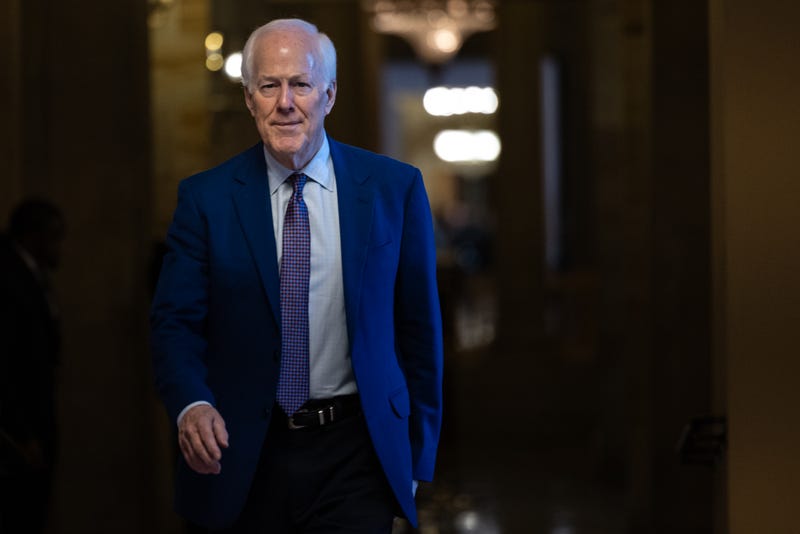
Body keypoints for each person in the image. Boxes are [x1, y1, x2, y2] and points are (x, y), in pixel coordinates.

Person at [150, 18, 443, 532]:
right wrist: (191, 403)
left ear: (328, 95)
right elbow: (175, 322)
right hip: (243, 453)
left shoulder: (392, 190)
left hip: (357, 453)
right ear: (249, 99)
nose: (285, 102)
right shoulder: (207, 201)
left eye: (301, 84)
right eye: (269, 85)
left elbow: (419, 329)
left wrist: (414, 455)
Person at [0, 197, 65, 533]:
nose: (60, 248)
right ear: (33, 236)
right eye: (55, 236)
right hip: (17, 434)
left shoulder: (32, 277)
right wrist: (22, 433)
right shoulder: (11, 280)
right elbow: (7, 363)